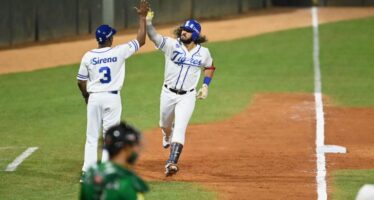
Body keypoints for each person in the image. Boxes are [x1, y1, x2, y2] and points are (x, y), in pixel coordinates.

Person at [77, 0, 149, 181]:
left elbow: (80, 81)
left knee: (91, 136)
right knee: (110, 138)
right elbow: (141, 40)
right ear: (109, 38)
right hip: (112, 98)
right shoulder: (119, 51)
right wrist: (142, 17)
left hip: (94, 98)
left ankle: (87, 171)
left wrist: (86, 96)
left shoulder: (88, 56)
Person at [146, 11, 216, 176]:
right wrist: (148, 22)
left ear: (195, 35)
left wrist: (205, 86)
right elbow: (154, 37)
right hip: (167, 93)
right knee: (165, 124)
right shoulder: (171, 45)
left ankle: (171, 162)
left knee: (180, 129)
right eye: (183, 29)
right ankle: (166, 134)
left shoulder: (203, 53)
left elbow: (210, 67)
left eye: (188, 30)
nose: (183, 32)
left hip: (187, 96)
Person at [80, 122, 149, 200]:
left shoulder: (91, 173)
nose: (136, 150)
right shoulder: (129, 183)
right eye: (134, 146)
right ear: (126, 148)